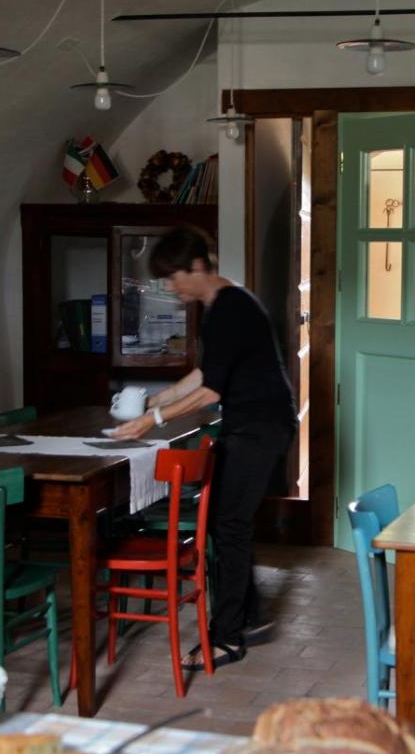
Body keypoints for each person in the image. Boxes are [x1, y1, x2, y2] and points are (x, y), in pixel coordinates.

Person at [111, 226, 296, 669]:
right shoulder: (223, 304)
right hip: (252, 424)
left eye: (174, 277)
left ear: (196, 267)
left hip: (261, 426)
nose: (170, 287)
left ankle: (227, 637)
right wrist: (154, 400)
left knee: (228, 524)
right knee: (224, 522)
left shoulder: (230, 307)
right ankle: (250, 616)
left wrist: (153, 420)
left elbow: (212, 391)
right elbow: (203, 374)